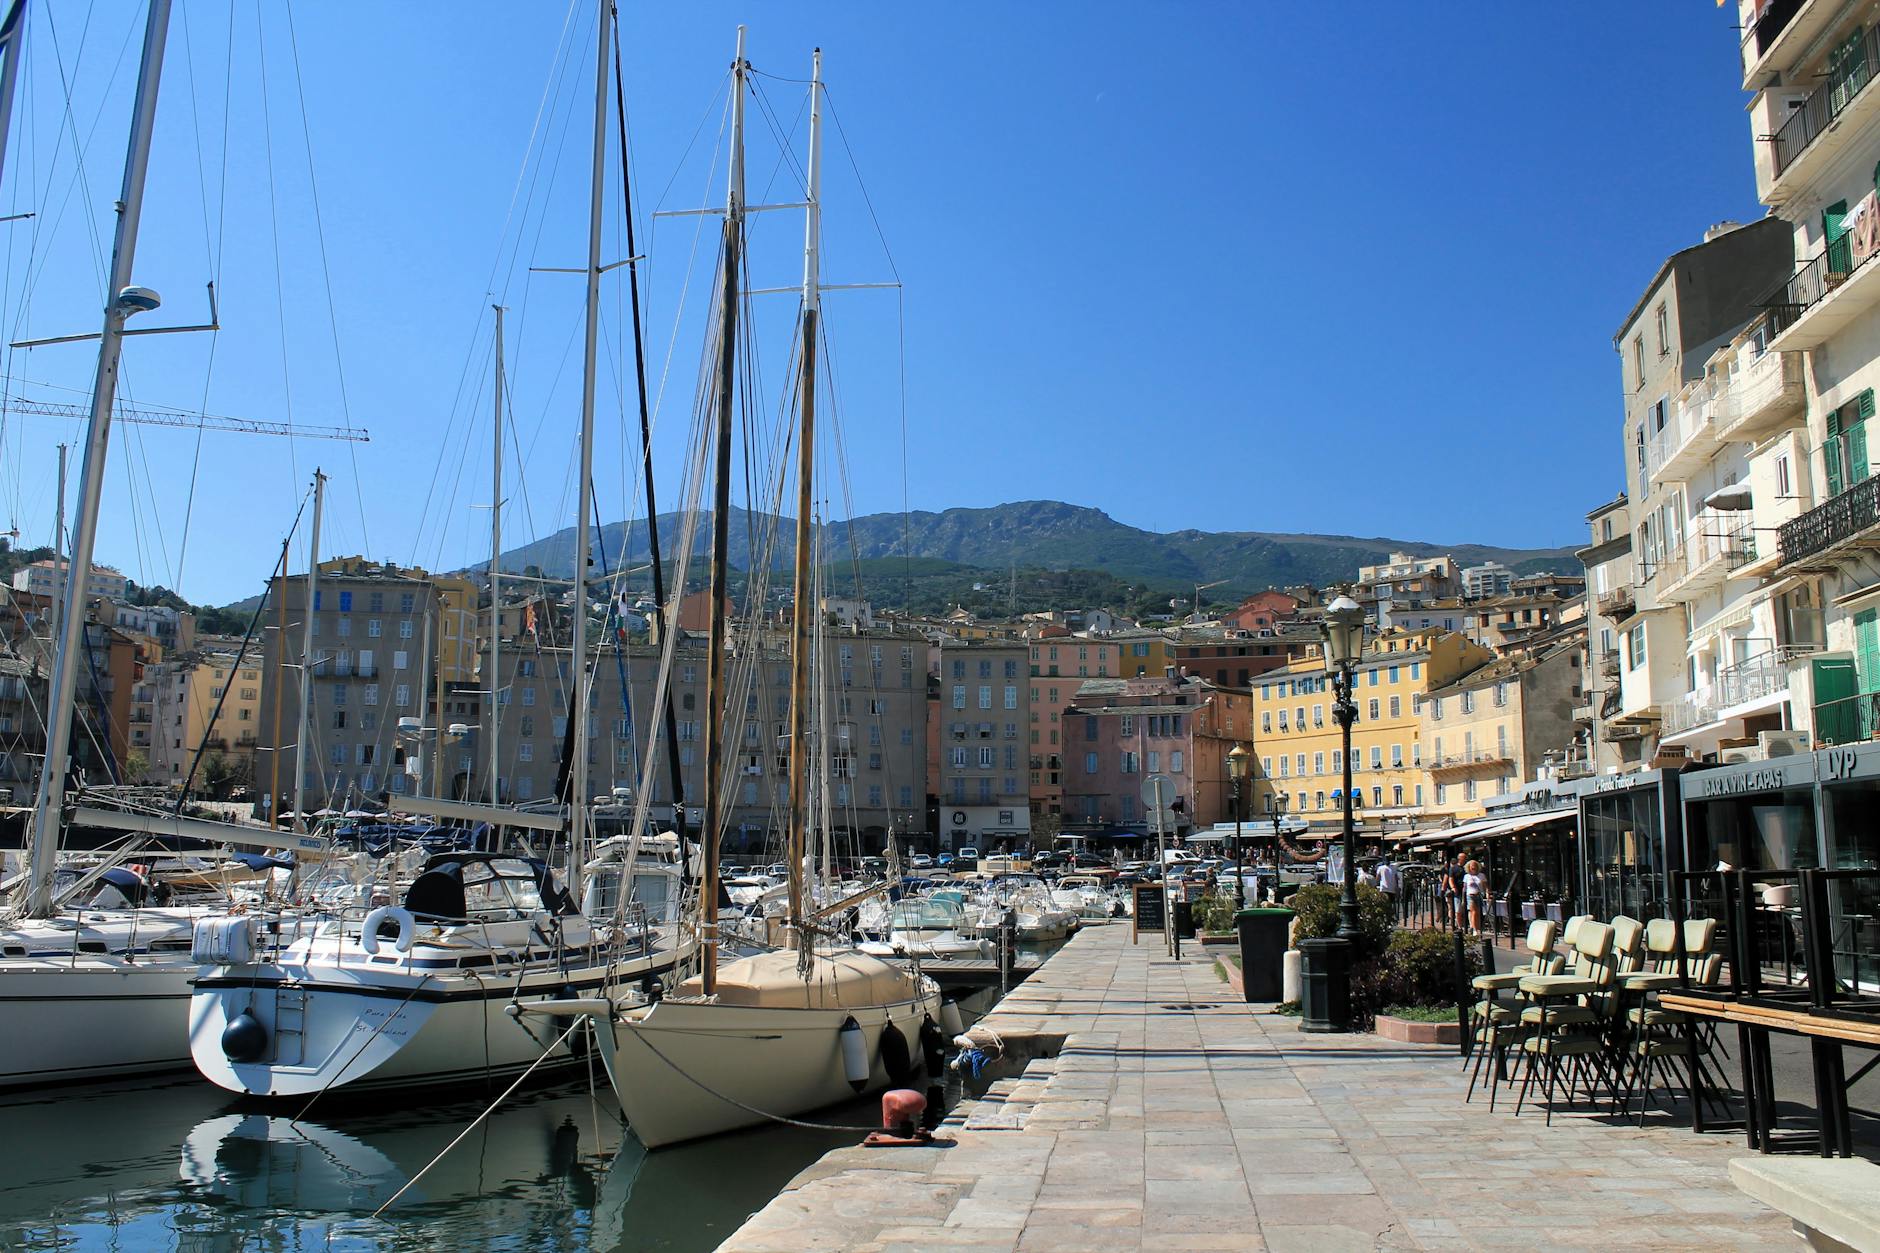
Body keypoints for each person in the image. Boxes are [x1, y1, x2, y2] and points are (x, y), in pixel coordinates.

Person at [1464, 859, 1486, 933]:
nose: (1473, 867)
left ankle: (1478, 928)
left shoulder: (1481, 875)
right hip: (1470, 895)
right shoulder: (1466, 876)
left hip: (1479, 895)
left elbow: (1485, 886)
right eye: (1471, 866)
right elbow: (1464, 887)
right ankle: (1474, 929)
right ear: (1469, 867)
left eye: (1474, 866)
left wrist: (1487, 893)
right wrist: (1463, 899)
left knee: (1478, 912)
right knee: (1473, 912)